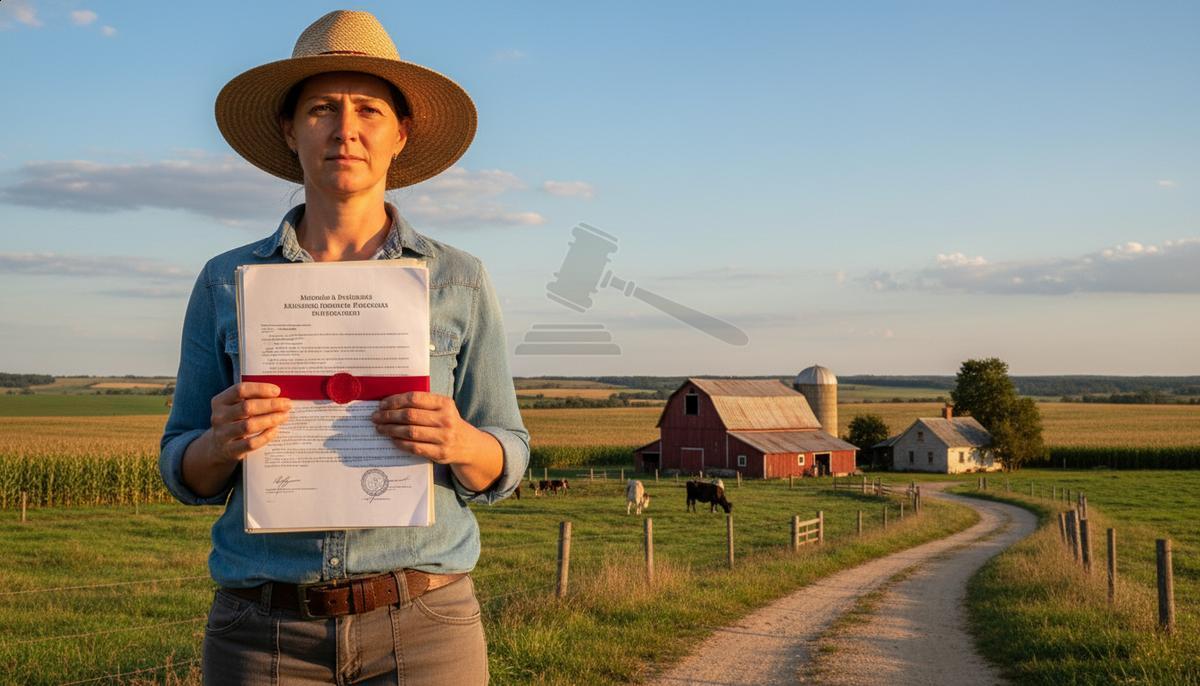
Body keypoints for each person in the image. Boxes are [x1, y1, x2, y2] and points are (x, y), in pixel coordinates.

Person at [158, 10, 529, 685]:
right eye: (322, 109)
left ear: (400, 134)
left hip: (426, 625)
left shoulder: (460, 279)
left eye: (368, 110)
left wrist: (460, 442)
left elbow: (509, 454)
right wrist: (219, 443)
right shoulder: (224, 280)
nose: (345, 129)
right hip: (262, 632)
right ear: (290, 130)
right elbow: (183, 467)